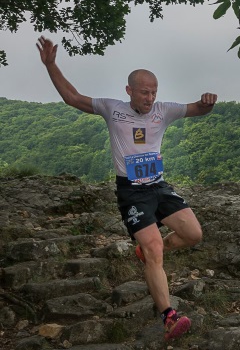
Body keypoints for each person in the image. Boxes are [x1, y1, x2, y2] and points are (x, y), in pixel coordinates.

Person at [36, 36, 217, 340]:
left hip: (159, 186)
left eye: (154, 92)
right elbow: (72, 97)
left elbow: (198, 109)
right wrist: (51, 65)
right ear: (129, 91)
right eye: (144, 92)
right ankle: (169, 316)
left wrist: (208, 102)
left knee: (193, 234)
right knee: (155, 246)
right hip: (132, 191)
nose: (150, 97)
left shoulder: (164, 110)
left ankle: (146, 253)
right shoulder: (112, 108)